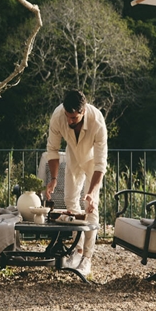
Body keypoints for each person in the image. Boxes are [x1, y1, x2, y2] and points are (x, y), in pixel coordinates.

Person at [44, 90, 107, 277]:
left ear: (83, 111)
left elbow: (100, 163)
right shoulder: (58, 116)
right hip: (72, 155)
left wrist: (92, 193)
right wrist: (54, 178)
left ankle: (87, 257)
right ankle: (77, 251)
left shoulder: (97, 122)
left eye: (74, 117)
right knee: (70, 201)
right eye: (68, 116)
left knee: (90, 206)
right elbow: (53, 150)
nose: (70, 120)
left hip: (92, 161)